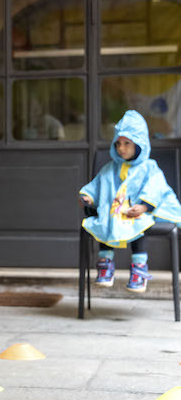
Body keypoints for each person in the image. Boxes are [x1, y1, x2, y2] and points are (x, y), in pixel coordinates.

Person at [80, 110, 181, 293]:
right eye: (118, 143)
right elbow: (98, 184)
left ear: (140, 144)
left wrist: (143, 206)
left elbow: (156, 187)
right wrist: (89, 196)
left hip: (140, 212)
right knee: (106, 219)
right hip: (115, 211)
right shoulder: (110, 168)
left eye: (127, 143)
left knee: (137, 224)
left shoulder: (149, 167)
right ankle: (106, 263)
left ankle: (139, 268)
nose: (121, 148)